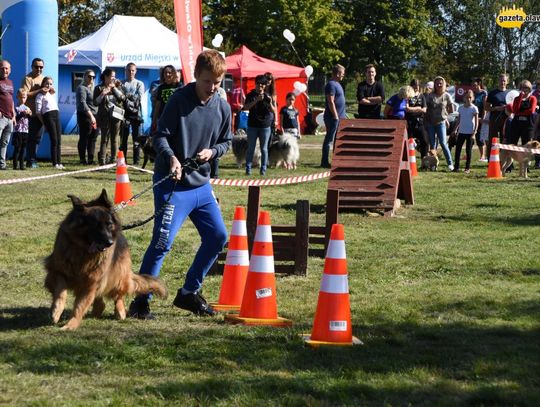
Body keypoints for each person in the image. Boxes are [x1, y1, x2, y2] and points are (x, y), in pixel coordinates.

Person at [128, 50, 232, 319]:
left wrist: (213, 152)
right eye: (208, 81)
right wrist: (172, 158)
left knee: (218, 237)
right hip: (172, 185)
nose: (212, 88)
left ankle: (188, 293)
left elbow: (226, 142)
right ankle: (141, 301)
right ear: (196, 75)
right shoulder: (178, 100)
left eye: (218, 83)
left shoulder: (222, 106)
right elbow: (160, 136)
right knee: (162, 241)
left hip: (201, 187)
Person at [243, 74, 274, 175]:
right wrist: (256, 100)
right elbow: (246, 107)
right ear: (255, 84)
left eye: (262, 84)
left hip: (265, 126)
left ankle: (263, 170)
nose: (260, 86)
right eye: (258, 84)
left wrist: (269, 103)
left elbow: (273, 110)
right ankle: (248, 169)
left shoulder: (268, 96)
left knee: (264, 149)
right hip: (252, 125)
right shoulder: (250, 95)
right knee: (250, 148)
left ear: (265, 86)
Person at [93, 68, 125, 164]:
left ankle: (113, 159)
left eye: (114, 77)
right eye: (112, 76)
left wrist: (114, 88)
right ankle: (102, 159)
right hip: (104, 116)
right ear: (106, 77)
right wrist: (103, 94)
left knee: (115, 138)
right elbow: (95, 102)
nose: (114, 79)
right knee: (104, 138)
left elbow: (122, 98)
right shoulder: (98, 88)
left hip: (116, 115)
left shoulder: (117, 86)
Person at [425, 76, 455, 171]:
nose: (439, 84)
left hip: (441, 122)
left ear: (444, 84)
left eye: (440, 83)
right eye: (437, 83)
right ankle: (433, 164)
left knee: (443, 143)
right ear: (434, 84)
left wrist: (445, 116)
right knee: (432, 145)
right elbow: (426, 109)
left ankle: (450, 163)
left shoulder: (446, 95)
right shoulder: (430, 96)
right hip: (430, 123)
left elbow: (452, 109)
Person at [21, 58, 46, 168]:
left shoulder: (43, 78)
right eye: (36, 66)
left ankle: (33, 159)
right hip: (31, 114)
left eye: (41, 67)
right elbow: (24, 94)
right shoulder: (28, 79)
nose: (39, 69)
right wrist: (39, 91)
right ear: (32, 67)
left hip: (41, 114)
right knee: (31, 138)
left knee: (38, 138)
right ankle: (30, 161)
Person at [321, 64, 346, 168]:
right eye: (342, 73)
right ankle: (324, 162)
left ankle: (336, 161)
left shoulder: (338, 84)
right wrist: (336, 116)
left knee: (338, 140)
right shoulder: (331, 84)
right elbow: (330, 101)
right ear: (338, 73)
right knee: (329, 139)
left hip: (340, 117)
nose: (343, 75)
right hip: (332, 118)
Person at [35, 77, 63, 169]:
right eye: (47, 83)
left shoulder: (51, 94)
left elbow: (52, 99)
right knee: (54, 140)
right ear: (43, 84)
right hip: (48, 116)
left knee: (59, 140)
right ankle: (55, 163)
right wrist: (44, 123)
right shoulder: (40, 95)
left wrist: (51, 92)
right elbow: (38, 112)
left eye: (50, 84)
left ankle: (59, 162)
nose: (49, 86)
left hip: (56, 114)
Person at [121, 62, 145, 164]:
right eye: (129, 70)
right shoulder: (122, 83)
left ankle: (136, 161)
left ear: (135, 71)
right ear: (125, 71)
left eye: (132, 70)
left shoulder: (140, 83)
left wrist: (126, 95)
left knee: (137, 139)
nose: (131, 72)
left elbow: (138, 97)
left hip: (136, 114)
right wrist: (127, 96)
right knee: (124, 138)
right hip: (124, 114)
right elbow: (120, 97)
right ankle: (123, 160)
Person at [452, 90, 478, 173]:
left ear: (473, 98)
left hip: (470, 132)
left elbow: (477, 122)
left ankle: (467, 168)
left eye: (470, 97)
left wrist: (475, 132)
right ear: (464, 98)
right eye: (467, 97)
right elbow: (458, 120)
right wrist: (455, 130)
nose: (468, 99)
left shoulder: (474, 108)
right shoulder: (461, 108)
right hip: (461, 132)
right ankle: (456, 167)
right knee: (458, 149)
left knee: (468, 150)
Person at [75, 69, 98, 164]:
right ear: (84, 77)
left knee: (93, 138)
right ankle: (82, 159)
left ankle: (90, 159)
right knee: (84, 137)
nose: (91, 78)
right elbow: (82, 103)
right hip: (85, 115)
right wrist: (91, 116)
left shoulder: (93, 89)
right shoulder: (82, 88)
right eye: (89, 76)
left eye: (93, 77)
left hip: (95, 115)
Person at [484, 73, 509, 160]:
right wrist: (495, 108)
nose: (502, 82)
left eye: (504, 80)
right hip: (494, 119)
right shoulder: (492, 93)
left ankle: (503, 160)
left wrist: (508, 108)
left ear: (507, 82)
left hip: (506, 120)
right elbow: (486, 107)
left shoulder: (510, 93)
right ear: (498, 81)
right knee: (492, 140)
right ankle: (491, 160)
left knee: (505, 140)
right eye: (501, 80)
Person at [151, 64, 180, 133]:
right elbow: (158, 105)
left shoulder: (179, 86)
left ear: (174, 74)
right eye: (165, 73)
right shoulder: (161, 87)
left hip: (176, 117)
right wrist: (154, 120)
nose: (167, 74)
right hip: (162, 118)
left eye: (169, 72)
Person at [509, 80, 537, 146]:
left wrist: (520, 112)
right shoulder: (517, 99)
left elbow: (531, 111)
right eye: (523, 87)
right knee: (512, 143)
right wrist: (520, 97)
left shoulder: (533, 98)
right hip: (516, 123)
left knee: (527, 144)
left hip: (528, 124)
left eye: (526, 87)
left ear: (529, 88)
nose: (524, 89)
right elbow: (515, 110)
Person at [405, 79, 428, 158]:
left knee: (424, 141)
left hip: (420, 122)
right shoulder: (408, 96)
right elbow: (407, 108)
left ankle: (424, 161)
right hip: (410, 121)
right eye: (414, 84)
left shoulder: (422, 96)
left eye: (418, 85)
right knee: (408, 142)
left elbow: (424, 110)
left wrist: (414, 108)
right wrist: (418, 108)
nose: (416, 86)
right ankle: (407, 161)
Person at [0, 60, 15, 170]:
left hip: (10, 117)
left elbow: (11, 100)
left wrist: (13, 114)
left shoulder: (10, 82)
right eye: (2, 68)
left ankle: (2, 165)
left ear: (9, 70)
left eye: (6, 68)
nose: (4, 70)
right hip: (1, 117)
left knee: (5, 142)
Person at [12, 89, 31, 170]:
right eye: (21, 97)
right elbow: (15, 118)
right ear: (17, 97)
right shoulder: (15, 108)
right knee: (17, 148)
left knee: (23, 148)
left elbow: (30, 118)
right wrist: (23, 114)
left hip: (25, 131)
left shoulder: (27, 108)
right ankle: (15, 165)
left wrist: (29, 114)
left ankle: (22, 165)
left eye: (24, 97)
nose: (23, 99)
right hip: (17, 131)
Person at [472, 78, 488, 162]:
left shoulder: (484, 93)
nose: (473, 87)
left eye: (475, 85)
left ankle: (483, 155)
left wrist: (483, 118)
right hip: (473, 117)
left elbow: (485, 107)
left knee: (480, 137)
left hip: (481, 117)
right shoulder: (473, 93)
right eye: (473, 85)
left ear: (479, 84)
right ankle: (468, 154)